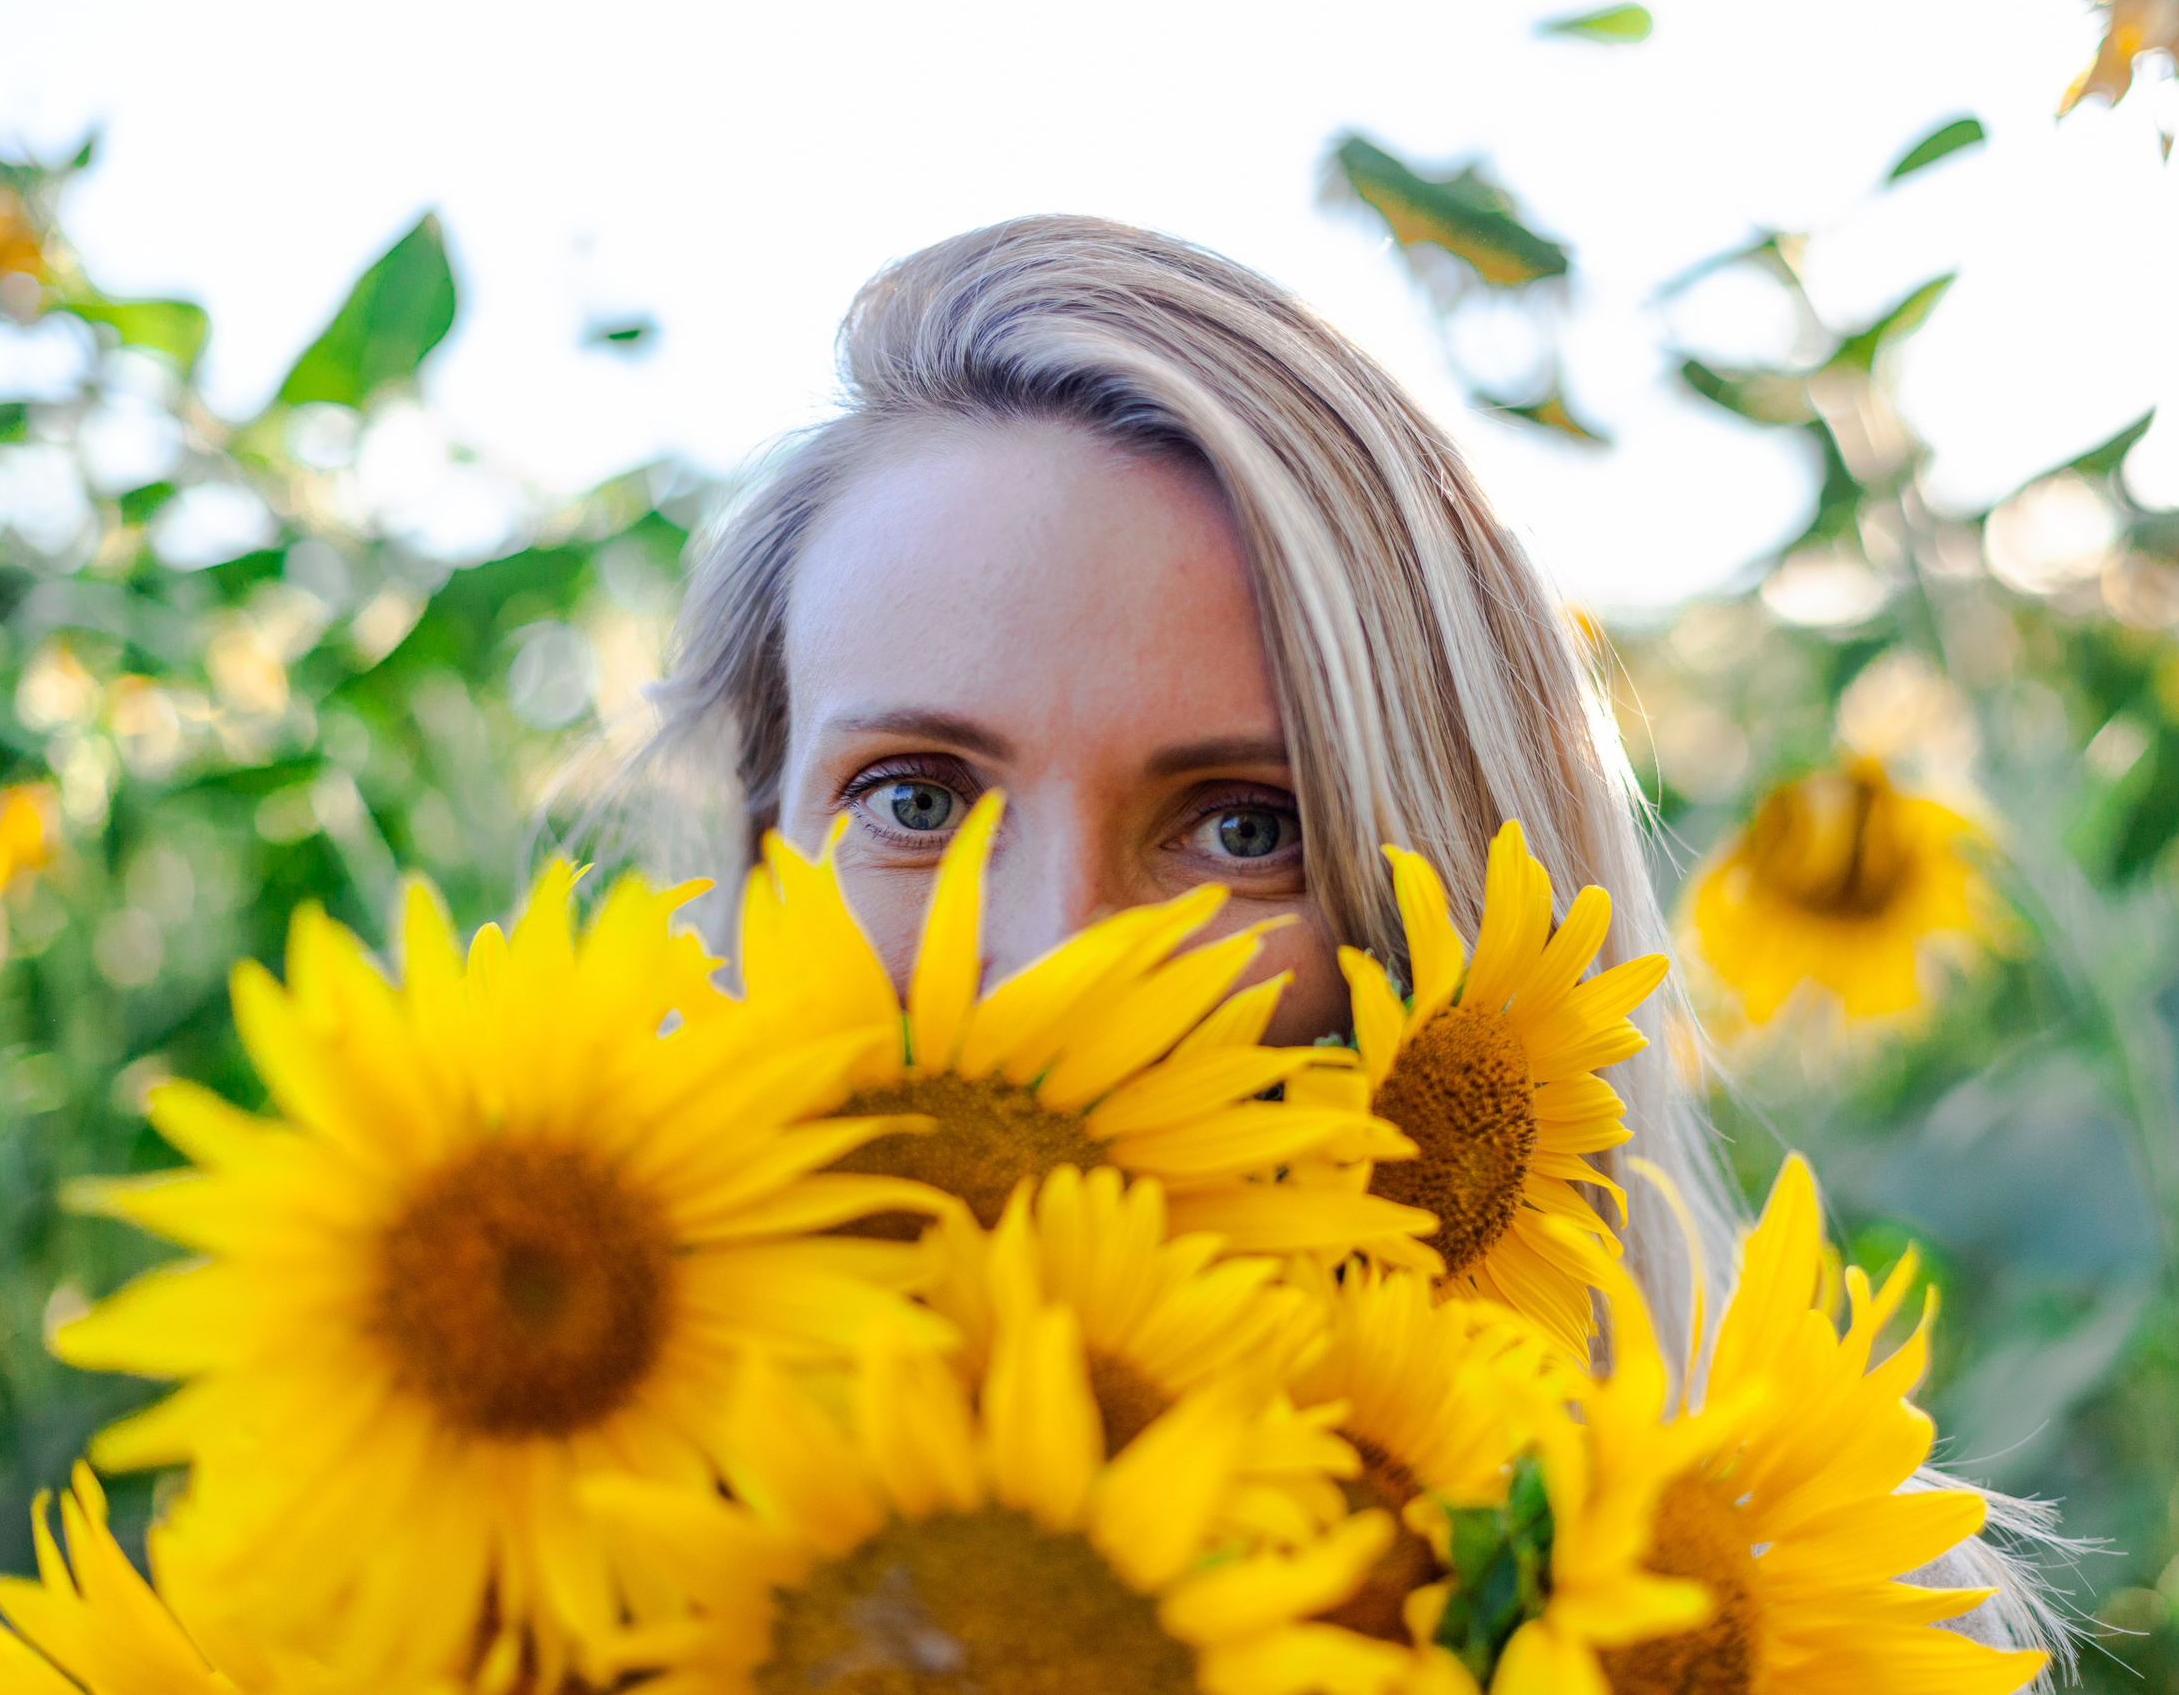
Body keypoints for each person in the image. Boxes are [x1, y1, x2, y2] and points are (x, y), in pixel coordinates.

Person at [631, 213, 2067, 1662]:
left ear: (1451, 927)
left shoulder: (1729, 1634)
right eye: (917, 798)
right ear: (765, 859)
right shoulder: (549, 1590)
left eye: (1245, 828)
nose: (1056, 960)